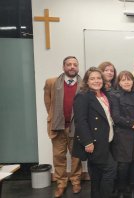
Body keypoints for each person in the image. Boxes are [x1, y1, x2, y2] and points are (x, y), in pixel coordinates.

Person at [72, 67, 116, 198]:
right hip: (94, 142)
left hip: (107, 139)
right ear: (87, 81)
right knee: (111, 169)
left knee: (96, 175)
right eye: (92, 78)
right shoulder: (83, 96)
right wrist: (87, 142)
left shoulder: (103, 94)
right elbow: (80, 121)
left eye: (98, 78)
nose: (96, 81)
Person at [43, 56, 82, 197]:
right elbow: (48, 103)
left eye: (75, 64)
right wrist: (55, 117)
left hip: (76, 127)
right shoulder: (52, 82)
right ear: (63, 67)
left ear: (78, 67)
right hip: (58, 127)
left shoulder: (84, 84)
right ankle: (61, 184)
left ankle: (76, 181)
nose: (72, 67)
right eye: (69, 64)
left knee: (76, 156)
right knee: (58, 156)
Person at [110, 71, 134, 197]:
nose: (126, 82)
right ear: (119, 82)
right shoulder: (115, 95)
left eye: (129, 79)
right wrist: (132, 124)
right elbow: (116, 117)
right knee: (123, 165)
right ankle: (121, 190)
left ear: (132, 81)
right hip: (122, 135)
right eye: (123, 80)